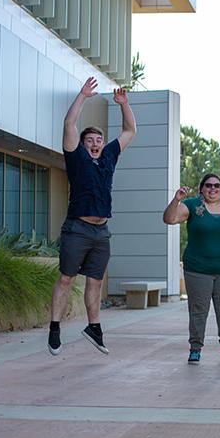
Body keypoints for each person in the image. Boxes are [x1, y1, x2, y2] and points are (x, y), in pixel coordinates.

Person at [48, 77, 136, 355]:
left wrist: (124, 105)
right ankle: (54, 328)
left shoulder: (109, 155)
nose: (96, 143)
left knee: (96, 282)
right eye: (91, 140)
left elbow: (130, 130)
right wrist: (83, 96)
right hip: (78, 228)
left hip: (102, 231)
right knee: (66, 278)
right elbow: (69, 125)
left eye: (99, 139)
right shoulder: (76, 157)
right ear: (83, 144)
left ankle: (94, 327)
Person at [163, 174, 220, 364]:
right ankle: (195, 349)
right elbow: (169, 219)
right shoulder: (192, 205)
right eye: (208, 186)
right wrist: (176, 199)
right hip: (197, 269)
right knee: (198, 310)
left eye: (217, 186)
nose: (213, 189)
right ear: (201, 189)